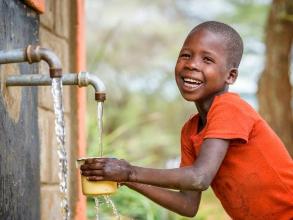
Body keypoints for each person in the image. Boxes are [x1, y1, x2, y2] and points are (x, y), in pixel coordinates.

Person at [80, 21, 293, 219]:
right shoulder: (191, 130)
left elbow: (199, 178)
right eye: (186, 55)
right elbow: (187, 205)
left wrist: (130, 171)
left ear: (231, 76)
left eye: (207, 59)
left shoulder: (230, 108)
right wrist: (125, 179)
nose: (191, 65)